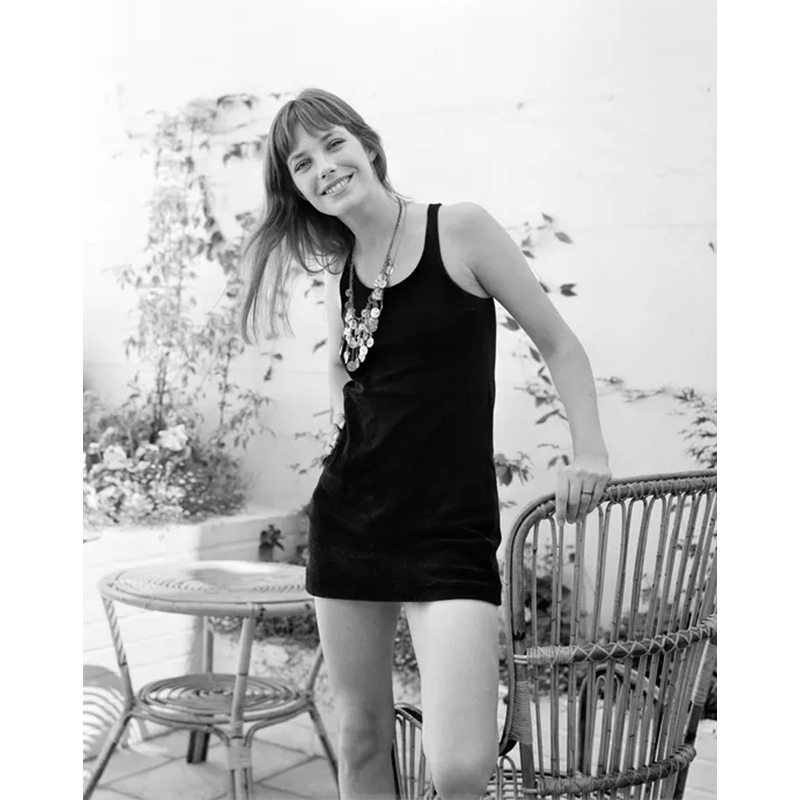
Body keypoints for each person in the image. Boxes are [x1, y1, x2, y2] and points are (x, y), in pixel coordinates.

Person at [241, 88, 611, 800]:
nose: (325, 167)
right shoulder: (342, 272)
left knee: (460, 765)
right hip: (351, 524)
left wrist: (589, 452)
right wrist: (344, 428)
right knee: (360, 738)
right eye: (303, 163)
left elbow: (559, 344)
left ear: (368, 145)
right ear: (296, 188)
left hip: (450, 531)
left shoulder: (459, 229)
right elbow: (342, 375)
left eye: (333, 144)